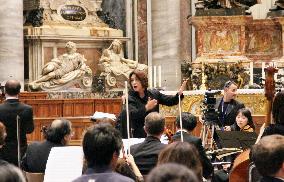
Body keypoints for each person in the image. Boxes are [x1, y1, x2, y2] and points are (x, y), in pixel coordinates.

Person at [118, 69, 187, 138]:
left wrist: (179, 94)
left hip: (155, 133)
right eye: (132, 80)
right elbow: (132, 115)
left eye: (137, 80)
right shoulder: (130, 97)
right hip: (138, 134)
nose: (134, 82)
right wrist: (146, 107)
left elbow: (170, 101)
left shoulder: (154, 94)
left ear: (143, 81)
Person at [0, 80, 34, 166]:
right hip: (21, 150)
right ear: (19, 91)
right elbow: (30, 130)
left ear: (5, 91)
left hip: (2, 150)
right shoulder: (28, 109)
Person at [172, 112, 213, 179]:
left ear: (176, 124)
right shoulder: (195, 141)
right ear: (193, 127)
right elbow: (205, 164)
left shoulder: (169, 139)